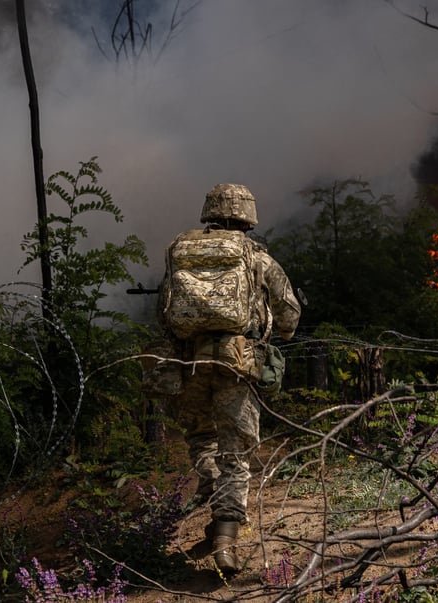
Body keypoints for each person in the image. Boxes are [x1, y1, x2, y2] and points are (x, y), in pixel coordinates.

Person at [155, 183, 300, 574]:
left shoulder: (180, 252)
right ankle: (226, 535)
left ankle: (216, 508)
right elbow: (289, 315)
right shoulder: (258, 258)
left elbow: (163, 311)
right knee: (235, 452)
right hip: (236, 366)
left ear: (209, 213)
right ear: (248, 219)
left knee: (203, 439)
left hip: (189, 365)